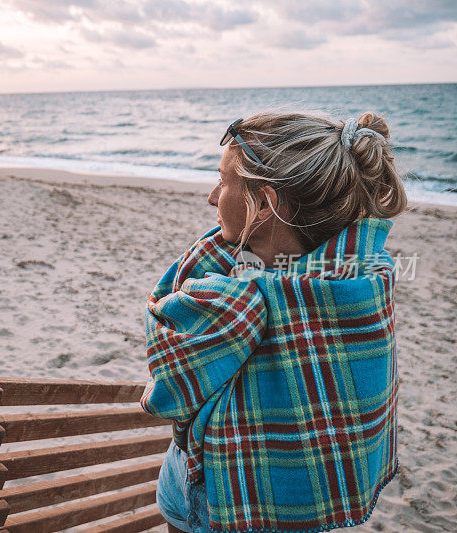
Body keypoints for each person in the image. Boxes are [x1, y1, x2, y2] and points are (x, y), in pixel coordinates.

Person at [140, 110, 407, 533]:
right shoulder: (365, 277)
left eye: (224, 182)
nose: (212, 196)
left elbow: (169, 394)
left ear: (264, 204)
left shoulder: (231, 301)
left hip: (222, 497)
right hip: (307, 498)